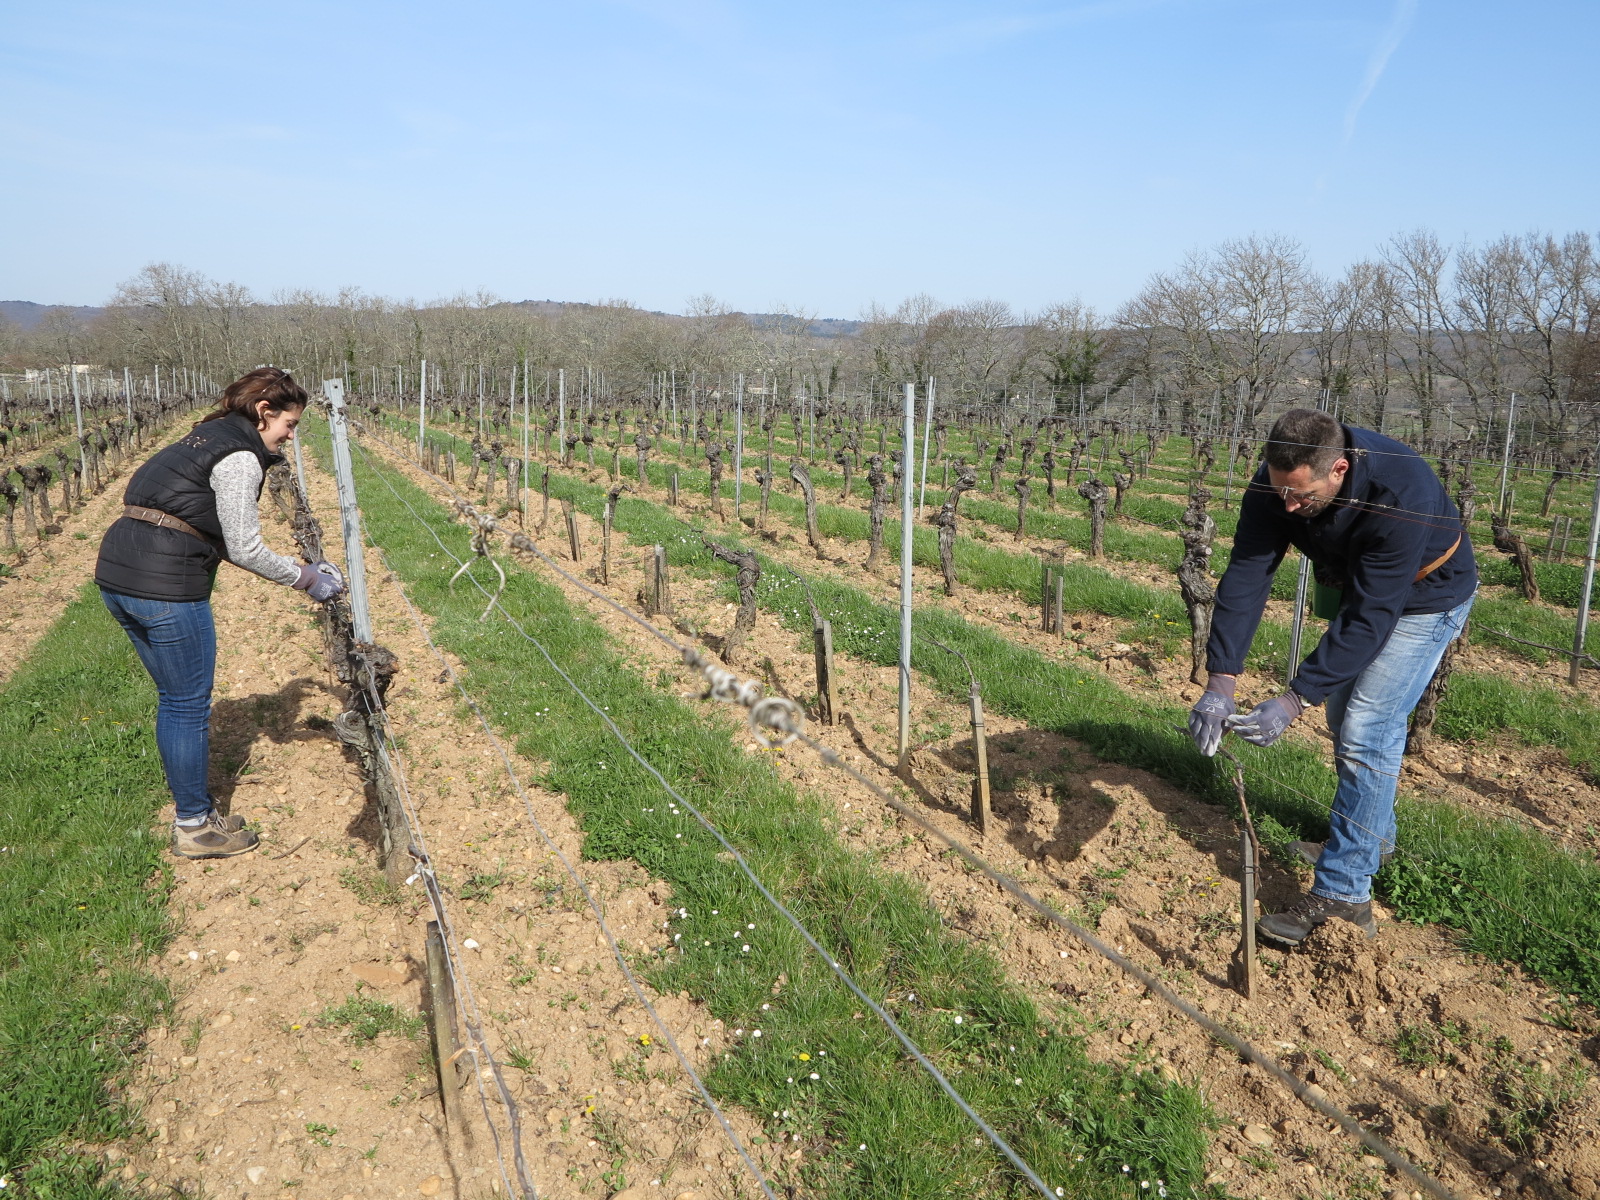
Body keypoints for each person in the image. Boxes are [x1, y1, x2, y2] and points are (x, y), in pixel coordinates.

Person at [1186, 408, 1476, 944]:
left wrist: (1294, 700)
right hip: (1359, 586)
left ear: (1338, 469)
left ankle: (1345, 895)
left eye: (1302, 497)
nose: (1290, 507)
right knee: (1345, 721)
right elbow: (1248, 572)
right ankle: (1370, 841)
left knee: (1368, 728)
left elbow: (1372, 616)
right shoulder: (1280, 482)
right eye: (1281, 494)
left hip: (1424, 595)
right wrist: (1220, 680)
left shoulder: (1398, 490)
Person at [95, 367, 346, 860]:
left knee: (174, 699)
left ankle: (195, 813)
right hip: (165, 585)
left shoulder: (202, 437)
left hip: (119, 573)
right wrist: (308, 578)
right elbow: (246, 547)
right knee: (187, 704)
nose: (290, 437)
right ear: (264, 412)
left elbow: (201, 522)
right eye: (289, 426)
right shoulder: (238, 458)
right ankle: (195, 827)